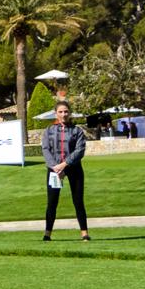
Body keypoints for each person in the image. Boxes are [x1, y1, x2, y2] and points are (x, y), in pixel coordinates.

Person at [41, 101, 90, 241]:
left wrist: (65, 164)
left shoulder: (77, 131)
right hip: (54, 170)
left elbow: (80, 150)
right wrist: (55, 166)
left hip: (74, 168)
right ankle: (47, 234)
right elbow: (45, 149)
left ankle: (84, 233)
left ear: (70, 113)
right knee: (52, 202)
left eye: (66, 111)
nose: (63, 114)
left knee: (78, 201)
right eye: (61, 112)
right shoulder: (49, 130)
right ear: (56, 113)